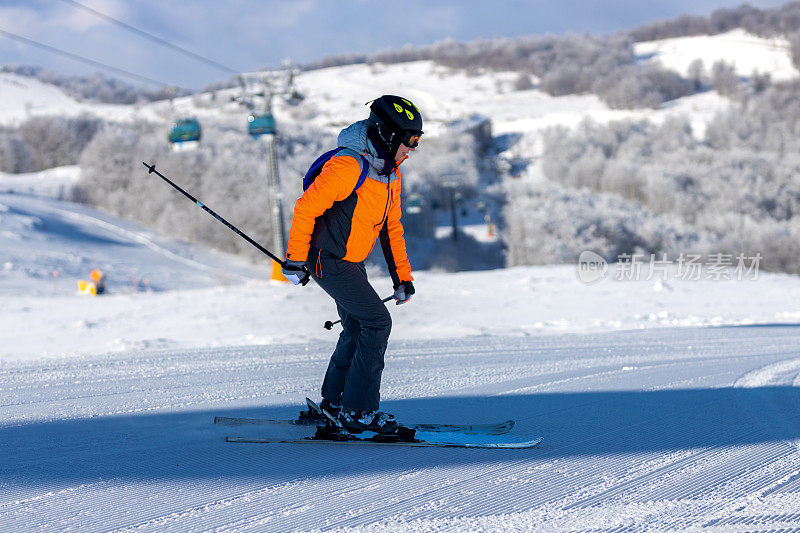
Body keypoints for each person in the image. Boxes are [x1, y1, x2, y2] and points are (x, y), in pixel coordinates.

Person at [282, 95, 422, 435]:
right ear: (389, 136)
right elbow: (306, 208)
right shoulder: (349, 166)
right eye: (410, 142)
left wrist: (402, 278)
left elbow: (391, 226)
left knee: (360, 326)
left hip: (350, 261)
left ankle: (334, 404)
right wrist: (295, 259)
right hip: (327, 259)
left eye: (417, 142)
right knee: (376, 323)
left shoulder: (390, 172)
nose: (412, 150)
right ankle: (359, 412)